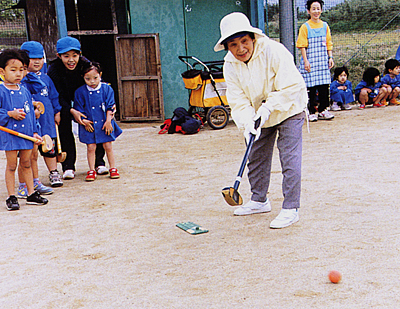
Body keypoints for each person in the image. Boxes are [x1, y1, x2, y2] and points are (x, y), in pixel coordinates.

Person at [214, 12, 308, 229]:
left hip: (289, 107)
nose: (240, 49)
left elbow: (292, 86)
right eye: (233, 44)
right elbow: (238, 100)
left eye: (244, 41)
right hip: (258, 113)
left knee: (289, 157)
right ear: (227, 47)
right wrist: (248, 124)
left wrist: (268, 108)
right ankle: (259, 200)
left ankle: (291, 208)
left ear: (253, 38)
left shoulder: (274, 51)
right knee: (255, 154)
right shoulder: (230, 64)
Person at [47, 36, 108, 180]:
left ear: (80, 54)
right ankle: (68, 166)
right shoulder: (53, 69)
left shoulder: (86, 65)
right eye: (66, 56)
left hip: (86, 97)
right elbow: (56, 94)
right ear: (59, 56)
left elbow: (96, 84)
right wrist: (70, 110)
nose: (71, 60)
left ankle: (99, 162)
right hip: (63, 99)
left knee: (94, 125)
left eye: (74, 55)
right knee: (64, 129)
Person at [0, 49, 48, 210]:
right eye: (13, 70)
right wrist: (9, 114)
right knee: (12, 165)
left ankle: (31, 194)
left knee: (26, 164)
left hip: (27, 135)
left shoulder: (25, 90)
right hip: (10, 134)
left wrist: (35, 132)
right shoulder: (1, 90)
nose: (18, 74)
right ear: (2, 71)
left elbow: (30, 115)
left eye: (21, 70)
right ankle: (11, 196)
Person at [16, 41, 64, 199]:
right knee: (29, 154)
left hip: (47, 119)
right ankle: (26, 183)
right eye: (32, 58)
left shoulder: (46, 78)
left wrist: (56, 111)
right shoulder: (20, 80)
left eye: (40, 58)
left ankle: (53, 172)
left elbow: (54, 96)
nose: (36, 61)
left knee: (49, 146)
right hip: (30, 121)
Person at [74, 61, 122, 181]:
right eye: (88, 78)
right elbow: (78, 109)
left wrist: (108, 121)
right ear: (83, 78)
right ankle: (91, 169)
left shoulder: (107, 89)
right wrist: (83, 122)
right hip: (89, 124)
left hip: (105, 122)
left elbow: (111, 105)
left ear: (100, 75)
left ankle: (113, 167)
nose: (92, 81)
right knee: (90, 147)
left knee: (108, 145)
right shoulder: (80, 92)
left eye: (95, 78)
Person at [297, 0, 334, 122]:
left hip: (322, 62)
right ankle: (311, 111)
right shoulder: (305, 27)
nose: (316, 11)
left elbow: (329, 43)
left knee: (324, 87)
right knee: (311, 88)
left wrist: (330, 57)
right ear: (308, 11)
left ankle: (323, 110)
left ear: (321, 10)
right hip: (310, 61)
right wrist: (306, 61)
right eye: (313, 9)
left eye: (318, 8)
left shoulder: (325, 26)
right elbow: (302, 45)